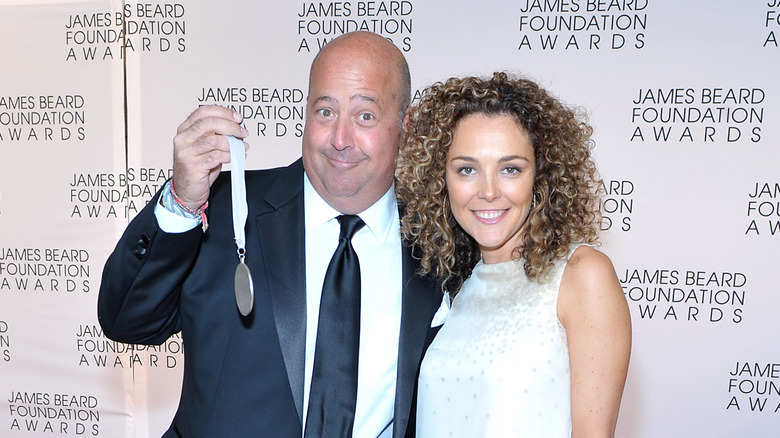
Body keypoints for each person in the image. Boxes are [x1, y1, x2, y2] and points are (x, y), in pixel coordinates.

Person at [98, 31, 443, 438]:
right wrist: (181, 204)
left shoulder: (439, 243)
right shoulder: (222, 210)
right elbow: (127, 321)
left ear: (405, 125)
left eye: (365, 115)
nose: (340, 139)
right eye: (325, 111)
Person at [395, 72, 632, 437]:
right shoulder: (454, 288)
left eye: (510, 169)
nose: (488, 191)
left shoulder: (580, 274)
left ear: (541, 176)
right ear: (441, 179)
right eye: (467, 169)